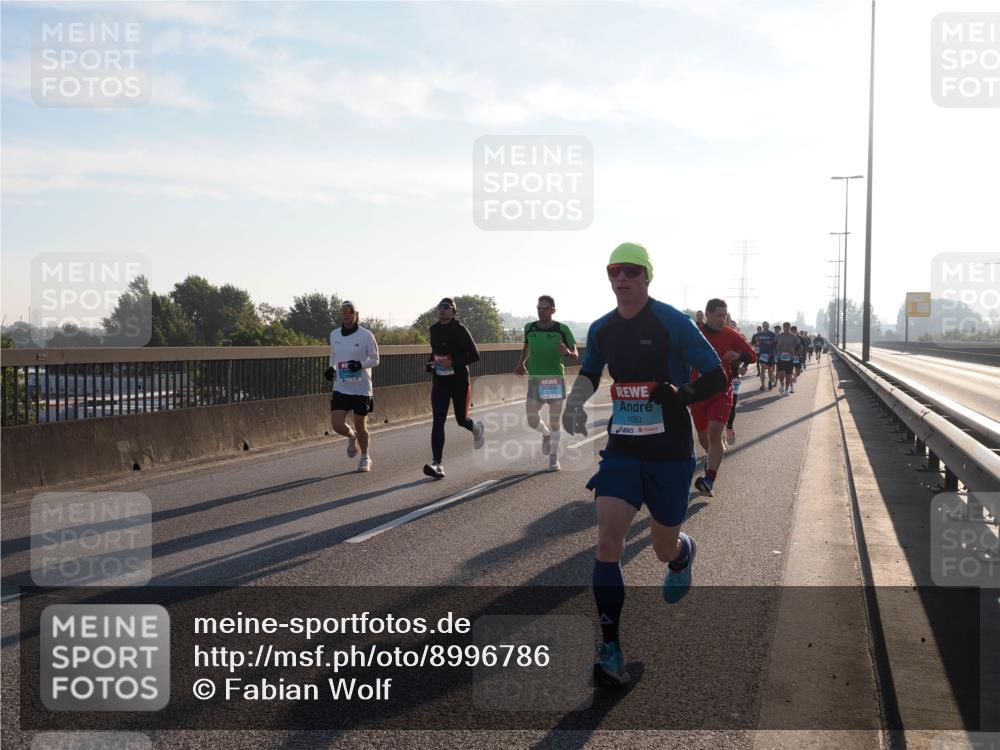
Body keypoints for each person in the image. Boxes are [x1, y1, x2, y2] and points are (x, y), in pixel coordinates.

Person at [561, 242, 726, 687]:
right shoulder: (602, 329)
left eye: (631, 271)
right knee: (607, 545)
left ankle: (682, 553)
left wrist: (682, 394)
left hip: (670, 453)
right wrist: (575, 404)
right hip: (622, 448)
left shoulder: (673, 322)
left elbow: (716, 376)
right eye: (614, 271)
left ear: (647, 277)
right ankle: (610, 647)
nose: (621, 279)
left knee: (661, 548)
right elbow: (591, 370)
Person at [691, 300, 756, 493]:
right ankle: (712, 460)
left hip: (722, 391)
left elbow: (752, 355)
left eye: (725, 315)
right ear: (708, 314)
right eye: (719, 315)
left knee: (714, 433)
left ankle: (709, 479)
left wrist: (739, 355)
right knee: (703, 438)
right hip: (698, 392)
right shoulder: (694, 332)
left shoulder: (731, 335)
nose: (723, 319)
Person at [422, 298, 485, 479]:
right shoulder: (434, 329)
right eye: (439, 307)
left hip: (459, 382)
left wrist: (453, 363)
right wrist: (430, 363)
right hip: (440, 382)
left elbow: (475, 355)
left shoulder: (460, 329)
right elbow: (435, 352)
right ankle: (437, 464)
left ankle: (476, 428)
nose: (442, 310)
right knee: (438, 421)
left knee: (461, 419)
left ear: (453, 311)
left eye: (446, 307)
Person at [514, 295, 578, 471]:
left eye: (544, 307)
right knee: (532, 418)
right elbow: (526, 347)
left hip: (555, 379)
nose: (541, 310)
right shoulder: (529, 327)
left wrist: (566, 352)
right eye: (538, 307)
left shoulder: (562, 329)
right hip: (535, 379)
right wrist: (521, 363)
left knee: (554, 420)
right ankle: (546, 434)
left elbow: (575, 354)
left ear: (553, 310)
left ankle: (553, 457)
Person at [324, 301, 380, 472]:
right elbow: (334, 356)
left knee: (360, 425)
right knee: (337, 424)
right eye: (343, 312)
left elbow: (375, 359)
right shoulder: (334, 334)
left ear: (356, 314)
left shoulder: (366, 335)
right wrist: (331, 369)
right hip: (341, 386)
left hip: (361, 388)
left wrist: (361, 365)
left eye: (350, 312)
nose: (347, 315)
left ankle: (365, 457)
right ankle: (351, 436)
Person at [774, 322, 800, 395]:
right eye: (785, 326)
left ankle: (786, 389)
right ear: (783, 327)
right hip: (780, 357)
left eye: (787, 327)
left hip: (790, 358)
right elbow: (774, 344)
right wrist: (776, 352)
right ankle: (782, 384)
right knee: (781, 374)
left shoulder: (794, 336)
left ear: (789, 327)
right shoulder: (779, 336)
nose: (786, 328)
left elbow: (799, 346)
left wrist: (794, 351)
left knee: (788, 375)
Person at [756, 321, 777, 391]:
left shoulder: (772, 334)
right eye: (764, 325)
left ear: (768, 326)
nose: (765, 327)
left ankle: (770, 382)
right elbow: (757, 343)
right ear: (762, 326)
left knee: (770, 369)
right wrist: (758, 344)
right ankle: (762, 385)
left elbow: (775, 344)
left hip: (770, 353)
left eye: (766, 325)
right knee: (762, 368)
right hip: (762, 354)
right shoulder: (759, 334)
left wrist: (771, 344)